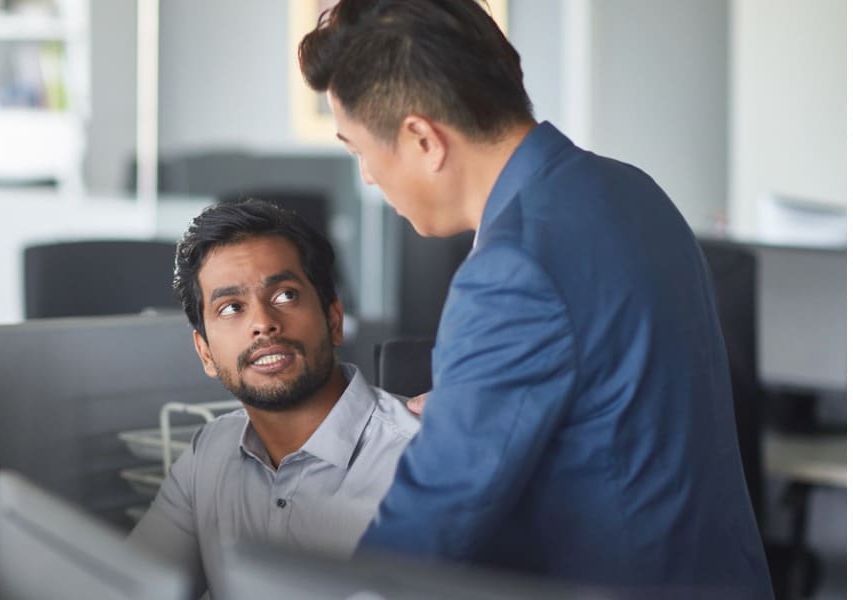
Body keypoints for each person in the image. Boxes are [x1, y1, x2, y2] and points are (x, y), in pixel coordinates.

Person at [297, 0, 772, 596]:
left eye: (359, 148)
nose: (367, 174)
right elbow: (623, 397)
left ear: (422, 138)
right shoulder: (630, 188)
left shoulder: (512, 267)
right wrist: (474, 403)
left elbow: (426, 530)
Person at [128, 199, 419, 597]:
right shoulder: (208, 454)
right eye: (231, 307)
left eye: (284, 296)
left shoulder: (420, 455)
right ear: (206, 353)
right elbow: (130, 588)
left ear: (333, 320)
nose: (263, 323)